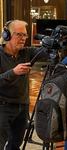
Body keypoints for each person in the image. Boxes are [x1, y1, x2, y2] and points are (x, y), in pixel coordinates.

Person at [0, 20, 49, 150]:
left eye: (25, 35)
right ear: (7, 35)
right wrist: (13, 72)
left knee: (15, 145)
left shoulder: (26, 53)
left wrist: (53, 41)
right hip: (3, 107)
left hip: (22, 107)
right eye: (19, 35)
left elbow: (47, 52)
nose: (23, 39)